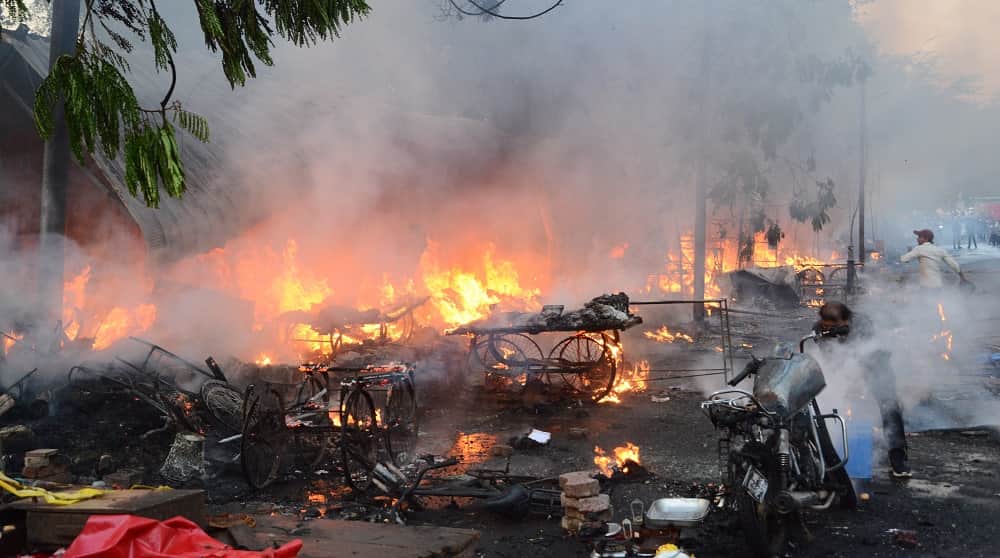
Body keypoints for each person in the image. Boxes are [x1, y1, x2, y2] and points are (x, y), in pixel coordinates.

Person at [813, 302, 911, 478]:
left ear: (846, 320)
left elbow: (866, 352)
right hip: (845, 368)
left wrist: (858, 379)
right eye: (826, 326)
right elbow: (830, 357)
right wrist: (841, 380)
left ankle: (898, 457)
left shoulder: (862, 323)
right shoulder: (818, 329)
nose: (829, 329)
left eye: (835, 327)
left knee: (889, 405)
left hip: (875, 365)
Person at [900, 229, 966, 289]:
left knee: (925, 301)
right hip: (938, 285)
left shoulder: (919, 248)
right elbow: (954, 265)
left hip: (925, 286)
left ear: (926, 239)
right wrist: (962, 277)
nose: (917, 239)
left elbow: (904, 259)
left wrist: (909, 251)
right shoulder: (940, 250)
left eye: (919, 237)